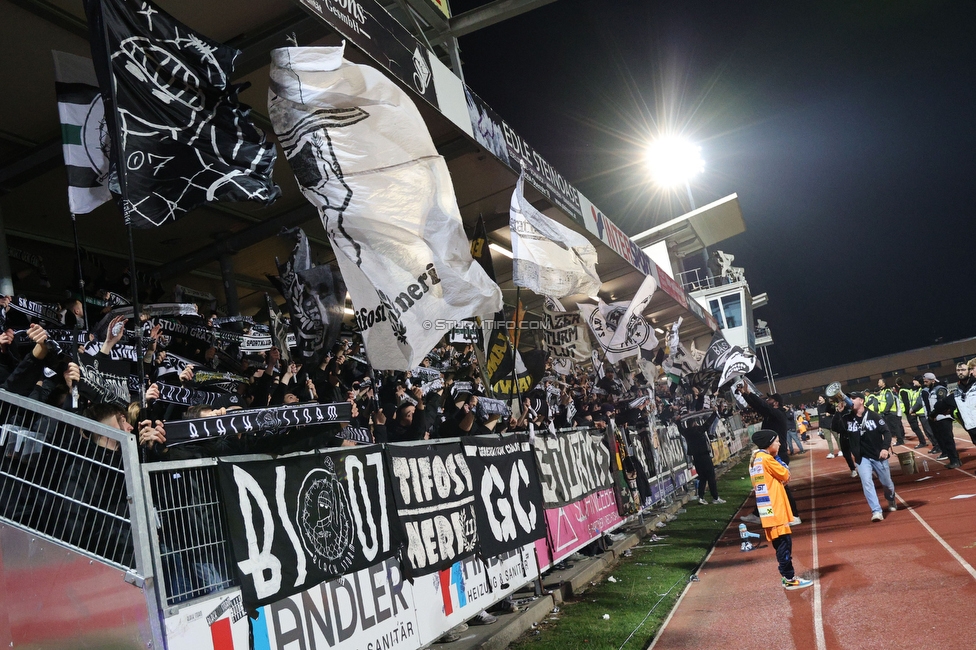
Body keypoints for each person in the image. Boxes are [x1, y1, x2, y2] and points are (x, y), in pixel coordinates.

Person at [748, 429, 812, 590]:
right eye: (776, 441)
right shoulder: (767, 459)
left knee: (780, 544)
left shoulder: (756, 459)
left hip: (767, 509)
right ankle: (789, 578)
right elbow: (785, 475)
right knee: (784, 545)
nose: (779, 443)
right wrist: (778, 459)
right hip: (775, 508)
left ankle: (787, 576)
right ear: (769, 444)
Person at [842, 391, 896, 521]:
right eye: (850, 398)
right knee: (867, 482)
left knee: (887, 484)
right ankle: (876, 511)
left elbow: (887, 432)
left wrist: (884, 448)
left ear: (861, 401)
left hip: (878, 455)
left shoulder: (873, 416)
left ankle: (891, 499)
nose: (851, 400)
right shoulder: (847, 418)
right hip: (862, 458)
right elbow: (836, 427)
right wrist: (839, 412)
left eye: (853, 398)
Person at [678, 411, 726, 505]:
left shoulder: (686, 433)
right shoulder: (699, 430)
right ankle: (715, 497)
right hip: (704, 456)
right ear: (694, 423)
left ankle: (701, 497)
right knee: (711, 477)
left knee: (702, 478)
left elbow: (680, 429)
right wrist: (714, 413)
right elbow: (708, 423)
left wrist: (678, 421)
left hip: (696, 458)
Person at [921, 372, 960, 469]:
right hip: (937, 418)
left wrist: (933, 414)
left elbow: (941, 404)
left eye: (926, 381)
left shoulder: (940, 389)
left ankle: (955, 460)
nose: (925, 383)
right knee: (943, 440)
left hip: (943, 418)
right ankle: (953, 460)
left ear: (933, 380)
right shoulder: (931, 390)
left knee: (948, 440)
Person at [932, 361, 976, 446]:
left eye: (963, 370)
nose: (960, 372)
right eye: (958, 370)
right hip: (970, 427)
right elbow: (940, 406)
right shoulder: (957, 393)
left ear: (970, 371)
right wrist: (934, 413)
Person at [896, 377, 930, 449]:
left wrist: (908, 411)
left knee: (915, 428)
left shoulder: (902, 391)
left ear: (897, 384)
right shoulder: (909, 388)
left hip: (910, 411)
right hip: (913, 410)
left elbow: (906, 402)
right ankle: (924, 441)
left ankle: (922, 442)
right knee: (920, 428)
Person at [876, 378, 906, 446]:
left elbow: (890, 402)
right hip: (886, 413)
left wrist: (885, 411)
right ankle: (897, 440)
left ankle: (900, 440)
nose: (878, 384)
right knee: (891, 428)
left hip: (890, 413)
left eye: (879, 382)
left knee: (895, 427)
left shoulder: (887, 391)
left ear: (884, 383)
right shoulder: (882, 391)